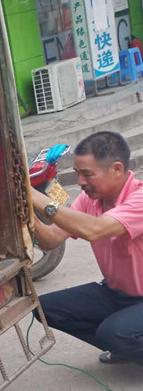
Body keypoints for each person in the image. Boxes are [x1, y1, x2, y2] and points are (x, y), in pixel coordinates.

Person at [31, 131, 142, 365]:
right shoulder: (88, 199)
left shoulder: (139, 198)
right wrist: (25, 210)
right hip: (117, 294)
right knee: (44, 308)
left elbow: (95, 229)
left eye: (87, 174)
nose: (80, 181)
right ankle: (128, 348)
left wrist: (34, 196)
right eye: (77, 173)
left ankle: (125, 343)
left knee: (114, 333)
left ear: (117, 169)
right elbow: (50, 240)